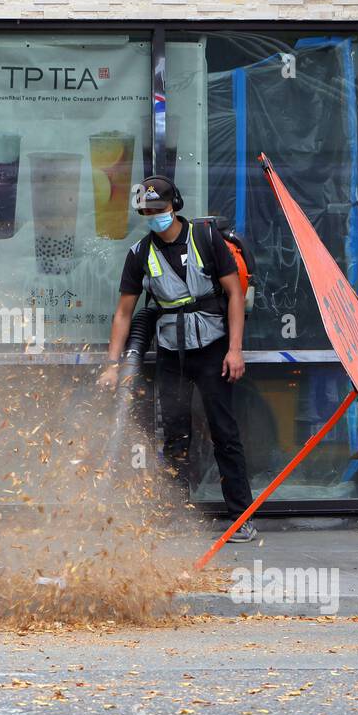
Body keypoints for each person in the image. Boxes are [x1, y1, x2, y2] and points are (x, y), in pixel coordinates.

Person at [97, 175, 258, 542]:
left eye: (159, 209)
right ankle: (174, 516)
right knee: (172, 435)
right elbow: (124, 313)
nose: (154, 216)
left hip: (214, 349)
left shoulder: (205, 239)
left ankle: (241, 518)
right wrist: (111, 364)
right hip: (171, 352)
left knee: (225, 434)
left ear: (175, 206)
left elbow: (234, 293)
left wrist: (235, 349)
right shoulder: (140, 254)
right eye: (147, 211)